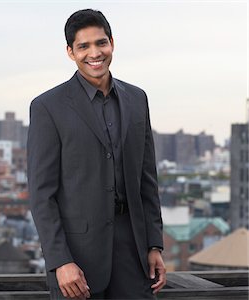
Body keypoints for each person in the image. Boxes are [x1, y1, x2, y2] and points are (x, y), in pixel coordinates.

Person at [27, 9, 166, 299]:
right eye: (83, 46)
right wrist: (60, 261)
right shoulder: (47, 107)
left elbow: (146, 179)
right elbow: (42, 195)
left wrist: (154, 245)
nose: (95, 53)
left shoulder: (137, 99)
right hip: (76, 260)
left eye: (101, 43)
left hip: (134, 254)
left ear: (112, 43)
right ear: (70, 52)